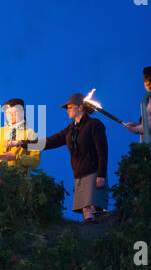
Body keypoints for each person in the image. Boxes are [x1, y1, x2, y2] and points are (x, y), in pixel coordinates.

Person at [11, 93, 109, 221]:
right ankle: (91, 234)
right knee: (85, 210)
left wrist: (101, 174)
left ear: (80, 108)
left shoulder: (94, 125)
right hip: (79, 175)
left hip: (93, 172)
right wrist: (23, 143)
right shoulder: (70, 130)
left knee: (93, 207)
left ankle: (101, 233)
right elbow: (49, 142)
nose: (67, 110)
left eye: (70, 107)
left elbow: (102, 150)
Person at [0, 98, 40, 169]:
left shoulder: (30, 133)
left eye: (14, 112)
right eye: (8, 112)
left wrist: (16, 157)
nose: (10, 115)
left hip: (19, 178)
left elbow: (35, 161)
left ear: (22, 112)